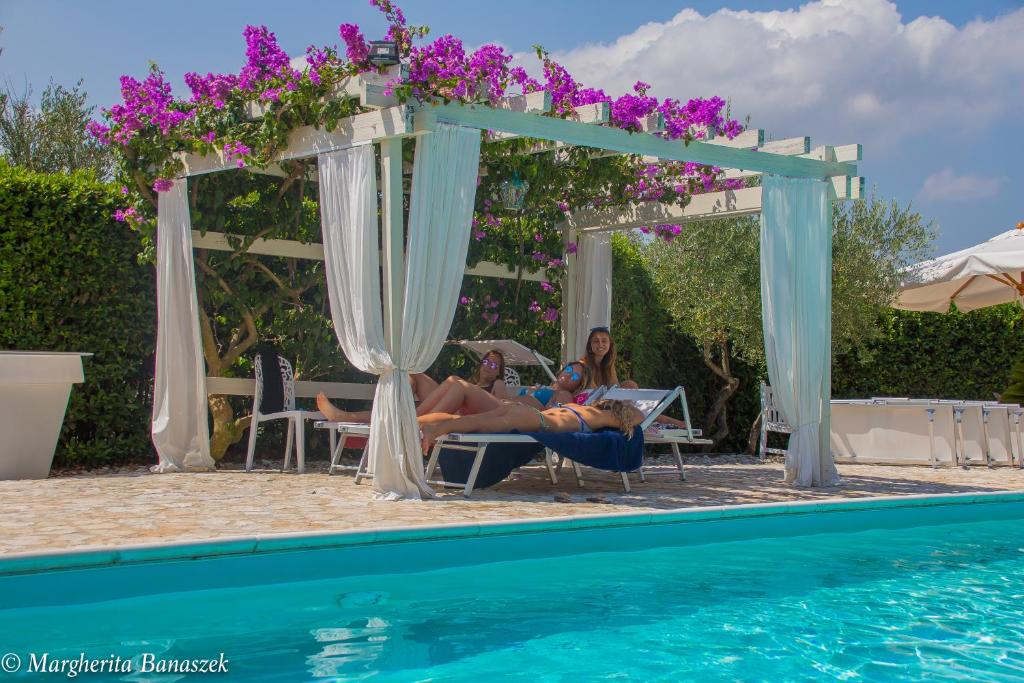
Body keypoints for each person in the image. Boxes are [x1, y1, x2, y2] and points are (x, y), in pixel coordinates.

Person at [316, 361, 589, 424]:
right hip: (496, 405)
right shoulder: (548, 386)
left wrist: (519, 403)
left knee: (457, 383)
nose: (568, 373)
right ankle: (403, 420)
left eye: (576, 375)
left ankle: (352, 417)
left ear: (578, 384)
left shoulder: (564, 397)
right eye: (568, 368)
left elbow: (551, 418)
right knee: (418, 376)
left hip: (504, 410)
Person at [419, 399, 645, 453]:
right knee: (477, 423)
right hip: (538, 420)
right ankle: (433, 431)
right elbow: (640, 416)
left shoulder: (577, 406)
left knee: (468, 419)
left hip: (526, 410)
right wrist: (624, 409)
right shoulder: (602, 416)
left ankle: (417, 422)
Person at [409, 350, 508, 403]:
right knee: (414, 375)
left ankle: (414, 417)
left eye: (494, 365)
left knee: (454, 380)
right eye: (486, 362)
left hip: (458, 412)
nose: (488, 366)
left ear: (498, 372)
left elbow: (500, 407)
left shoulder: (498, 383)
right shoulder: (473, 383)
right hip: (447, 402)